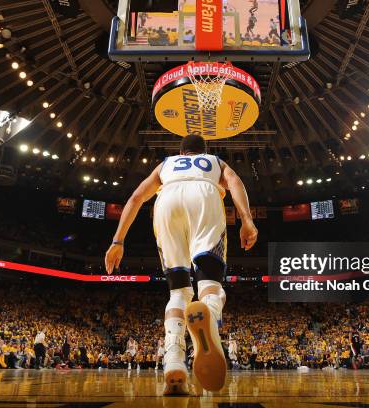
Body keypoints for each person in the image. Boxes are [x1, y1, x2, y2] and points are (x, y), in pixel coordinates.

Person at [105, 134, 258, 395]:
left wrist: (117, 241)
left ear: (181, 152)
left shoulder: (165, 163)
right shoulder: (215, 161)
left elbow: (135, 197)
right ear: (203, 151)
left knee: (179, 292)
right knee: (210, 285)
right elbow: (234, 181)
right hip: (204, 197)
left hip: (167, 202)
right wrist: (247, 220)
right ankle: (209, 317)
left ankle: (174, 360)